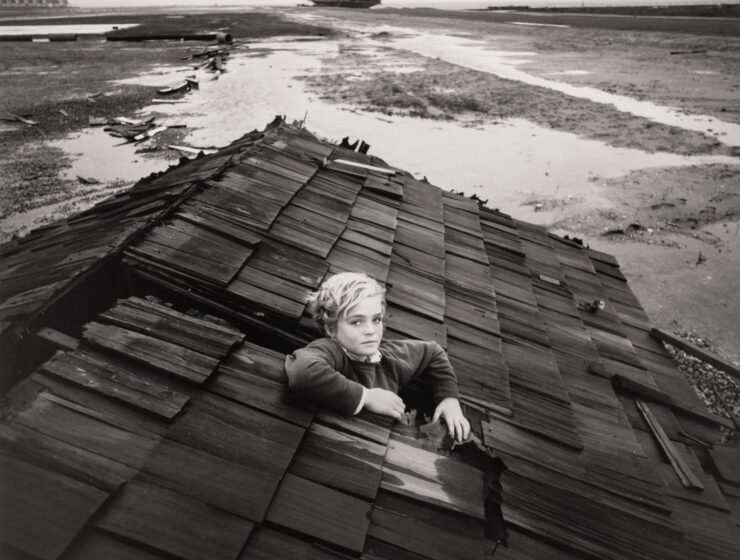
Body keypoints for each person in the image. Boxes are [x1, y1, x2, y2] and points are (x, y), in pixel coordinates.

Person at [285, 272, 471, 442]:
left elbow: (434, 352)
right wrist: (366, 397)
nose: (371, 331)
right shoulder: (332, 350)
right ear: (330, 328)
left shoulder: (390, 358)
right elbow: (302, 372)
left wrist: (449, 399)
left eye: (376, 319)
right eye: (357, 322)